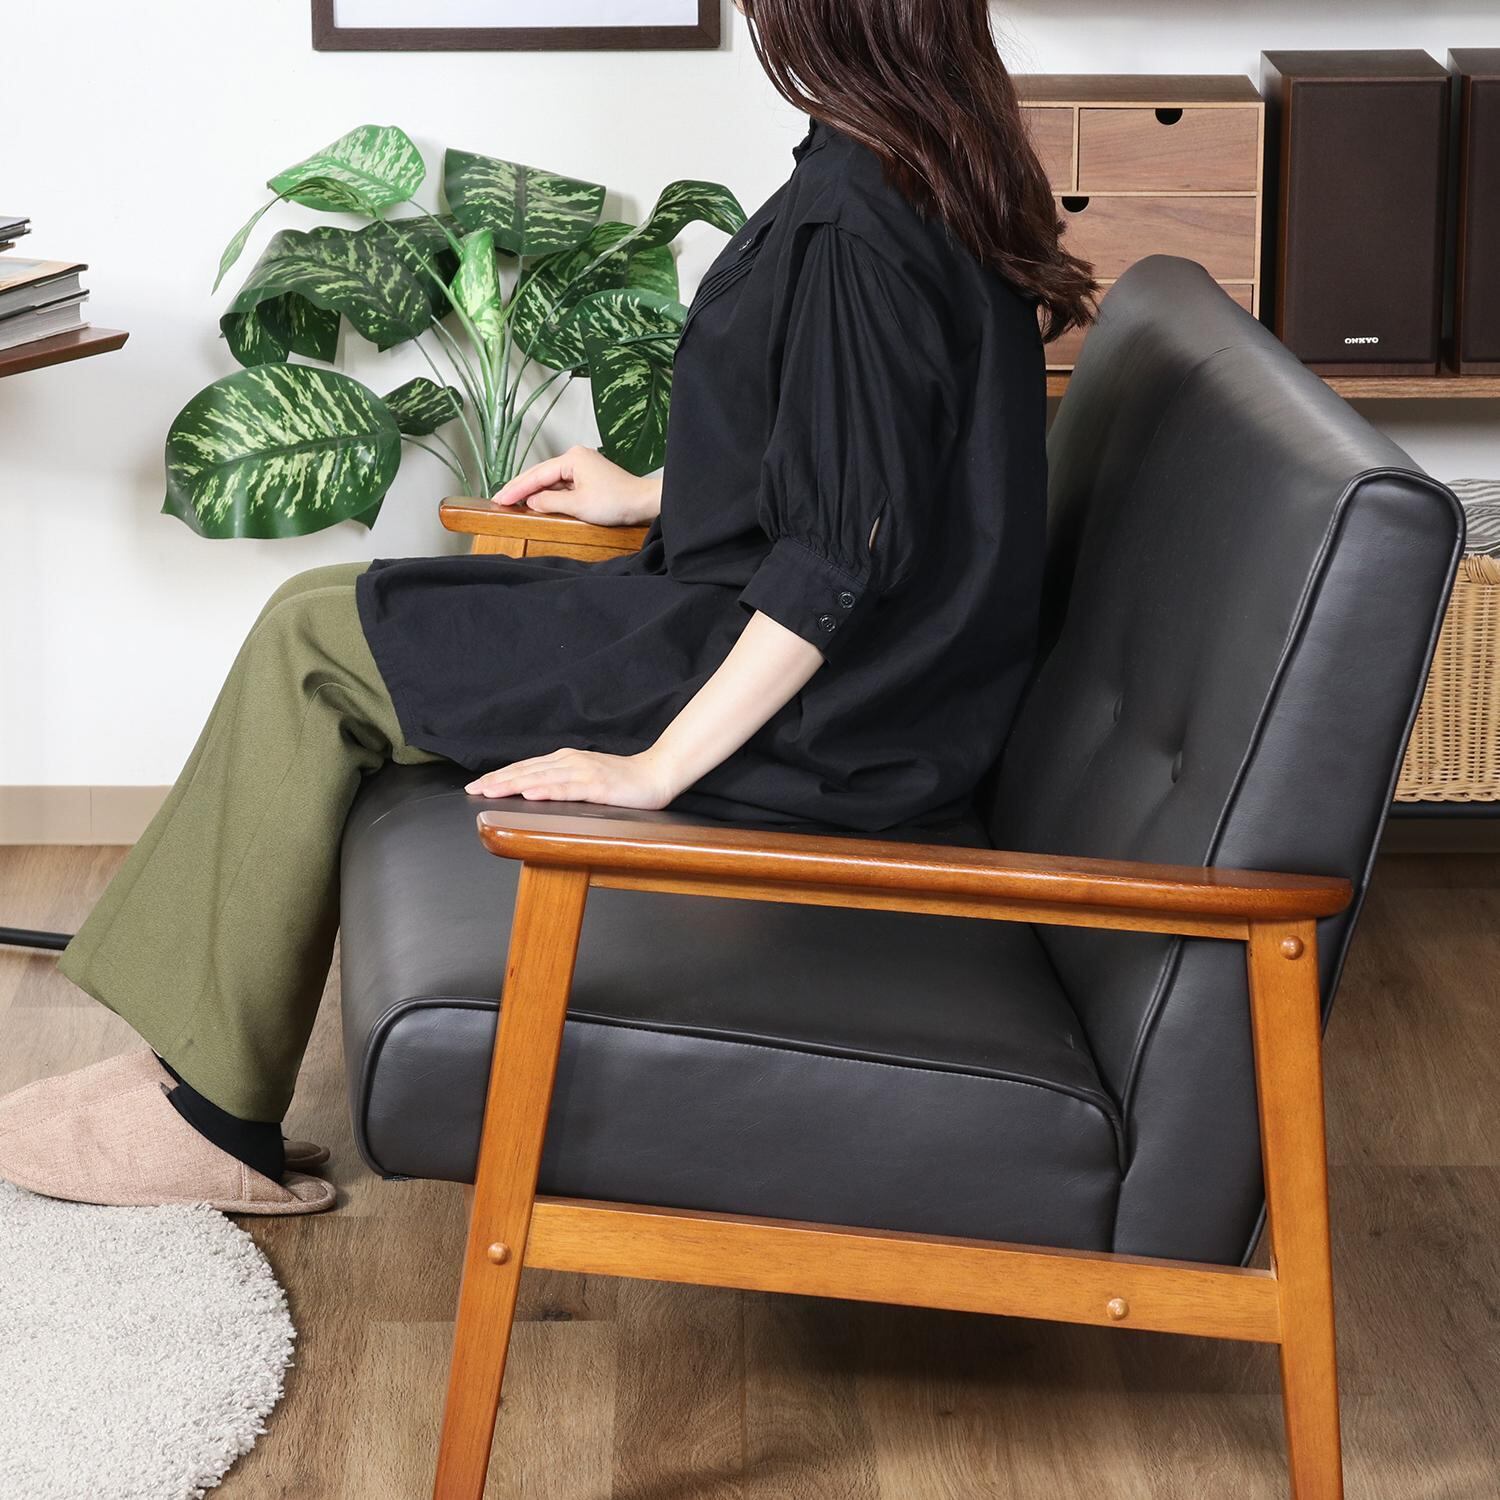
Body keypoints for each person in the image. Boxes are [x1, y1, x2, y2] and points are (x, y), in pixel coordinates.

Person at [0, 0, 1096, 1214]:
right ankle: (192, 1069)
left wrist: (655, 771)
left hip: (817, 710)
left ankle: (210, 1117)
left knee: (314, 642)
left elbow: (838, 557)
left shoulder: (857, 214)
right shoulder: (932, 162)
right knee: (322, 603)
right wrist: (652, 489)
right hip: (815, 660)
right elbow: (874, 457)